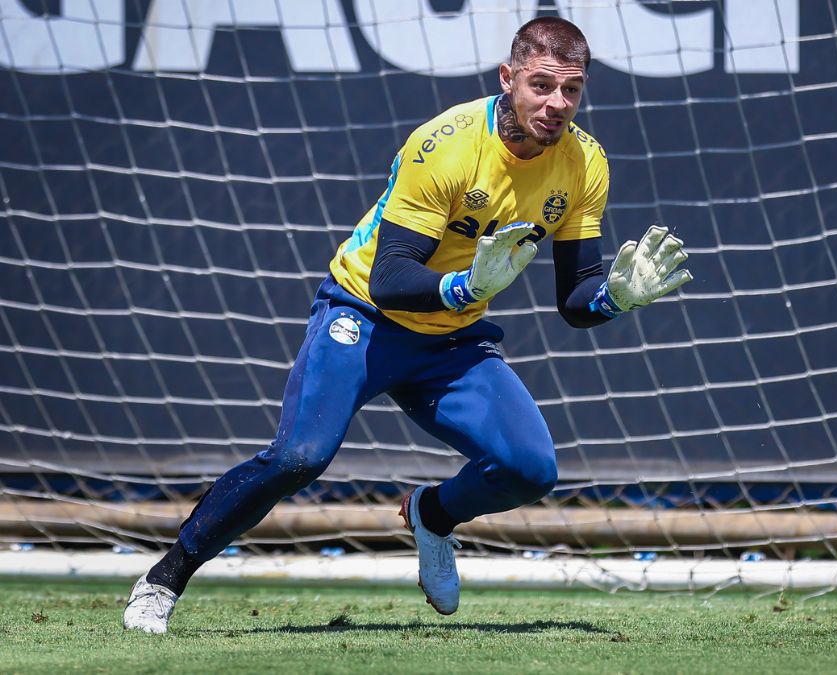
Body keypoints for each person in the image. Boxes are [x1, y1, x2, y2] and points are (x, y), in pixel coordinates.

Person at [122, 16, 692, 633]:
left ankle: (432, 515)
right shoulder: (445, 146)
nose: (556, 104)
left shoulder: (585, 163)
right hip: (365, 315)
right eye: (541, 85)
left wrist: (615, 296)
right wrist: (467, 286)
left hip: (451, 339)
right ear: (508, 78)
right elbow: (391, 277)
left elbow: (575, 302)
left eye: (571, 89)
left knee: (531, 469)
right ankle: (166, 577)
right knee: (298, 458)